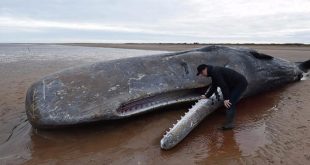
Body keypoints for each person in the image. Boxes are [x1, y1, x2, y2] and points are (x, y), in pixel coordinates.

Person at [196, 64, 248, 130]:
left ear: (205, 69)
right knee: (228, 99)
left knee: (229, 102)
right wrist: (207, 96)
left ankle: (229, 124)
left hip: (240, 84)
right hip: (233, 84)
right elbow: (214, 85)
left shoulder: (215, 72)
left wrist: (226, 99)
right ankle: (228, 113)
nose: (202, 75)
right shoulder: (213, 72)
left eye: (201, 73)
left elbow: (223, 86)